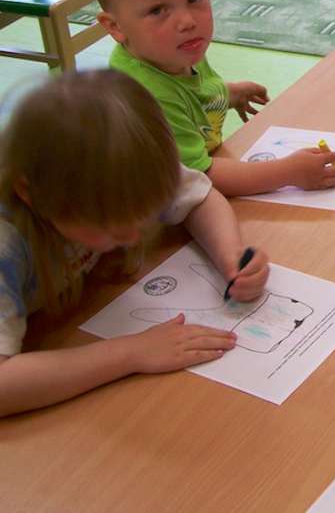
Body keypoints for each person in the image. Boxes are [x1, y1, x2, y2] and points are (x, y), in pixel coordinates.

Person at [0, 70, 270, 417]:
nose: (131, 237)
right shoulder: (7, 241)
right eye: (109, 227)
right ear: (31, 194)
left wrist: (229, 254)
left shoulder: (121, 170)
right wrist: (130, 353)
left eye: (141, 217)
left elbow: (201, 198)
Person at [85, 0, 335, 196]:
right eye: (158, 10)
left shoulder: (175, 49)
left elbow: (189, 96)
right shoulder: (144, 96)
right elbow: (201, 177)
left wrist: (226, 93)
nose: (187, 21)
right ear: (115, 27)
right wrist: (288, 172)